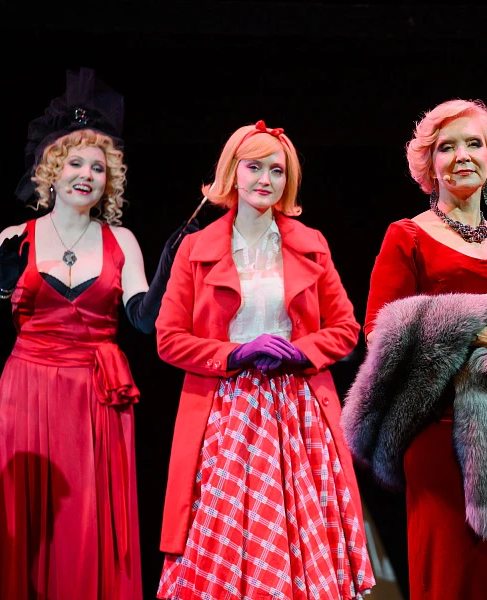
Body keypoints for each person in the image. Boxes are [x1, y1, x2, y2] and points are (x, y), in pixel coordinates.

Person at [0, 68, 192, 599]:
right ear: (51, 169)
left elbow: (144, 322)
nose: (86, 174)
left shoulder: (121, 241)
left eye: (98, 167)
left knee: (87, 533)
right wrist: (1, 286)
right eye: (75, 163)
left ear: (109, 180)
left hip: (95, 401)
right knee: (31, 532)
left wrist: (169, 266)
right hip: (28, 394)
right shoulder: (15, 237)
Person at [342, 99, 487, 599]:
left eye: (474, 144)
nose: (462, 156)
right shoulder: (407, 236)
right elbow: (379, 332)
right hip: (440, 430)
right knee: (453, 571)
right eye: (446, 147)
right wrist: (474, 330)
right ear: (430, 165)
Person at [154, 120, 373, 599]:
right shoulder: (195, 248)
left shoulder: (311, 243)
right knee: (227, 538)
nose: (265, 180)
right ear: (232, 172)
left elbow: (346, 329)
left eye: (277, 170)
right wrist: (236, 352)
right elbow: (168, 339)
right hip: (225, 413)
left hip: (296, 412)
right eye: (254, 167)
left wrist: (301, 351)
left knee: (298, 539)